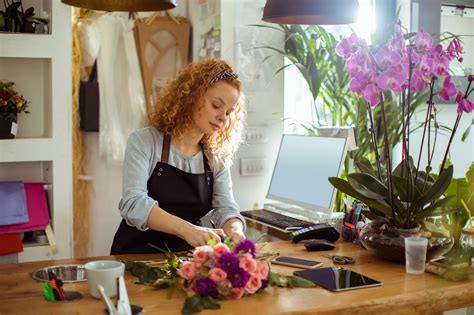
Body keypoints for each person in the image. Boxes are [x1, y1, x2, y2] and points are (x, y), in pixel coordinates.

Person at [110, 58, 247, 254]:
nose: (223, 118)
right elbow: (134, 203)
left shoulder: (215, 158)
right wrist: (187, 230)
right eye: (216, 105)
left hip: (185, 258)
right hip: (135, 256)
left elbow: (225, 207)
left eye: (229, 112)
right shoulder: (144, 141)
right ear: (192, 97)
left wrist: (235, 230)